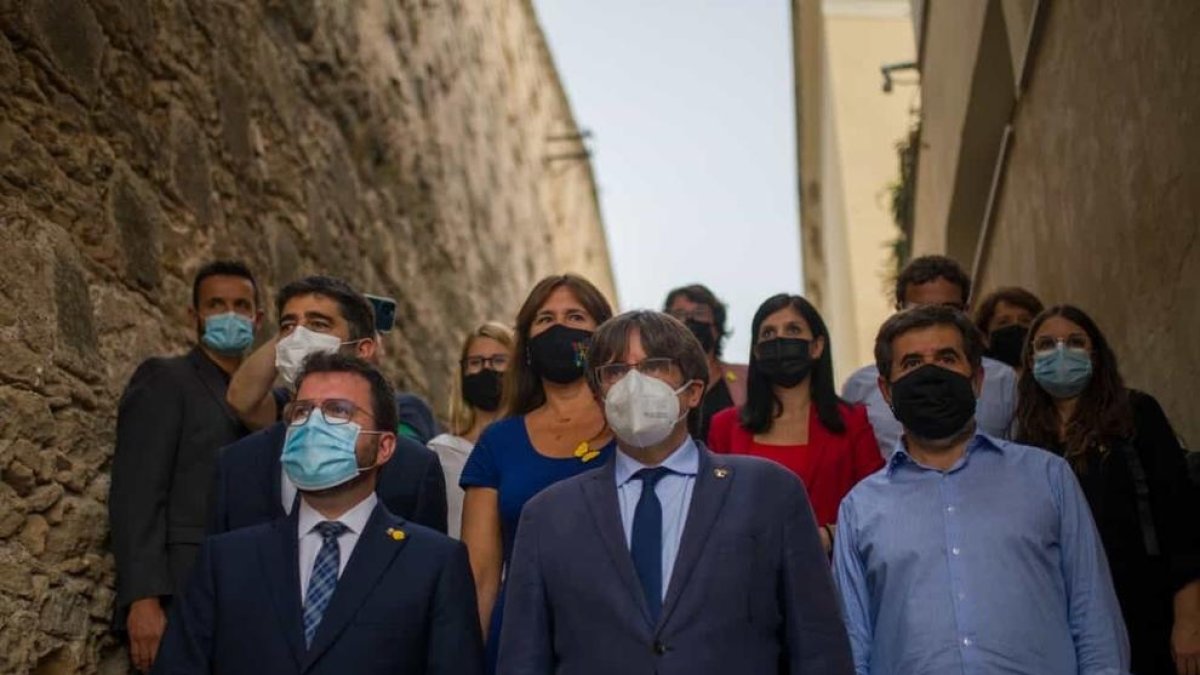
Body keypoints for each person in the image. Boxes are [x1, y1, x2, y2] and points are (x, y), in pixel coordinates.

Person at [497, 311, 853, 675]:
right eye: (616, 371)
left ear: (694, 392)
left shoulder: (770, 492)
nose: (633, 382)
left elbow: (818, 645)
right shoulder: (547, 516)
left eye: (653, 366)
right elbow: (523, 659)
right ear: (599, 395)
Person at [832, 305, 1129, 674]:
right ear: (886, 390)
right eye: (911, 363)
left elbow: (1093, 616)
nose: (930, 374)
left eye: (946, 358)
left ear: (976, 380)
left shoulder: (1047, 477)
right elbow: (852, 644)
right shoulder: (860, 508)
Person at [153, 353, 483, 674]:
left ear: (384, 447)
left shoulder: (434, 563)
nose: (313, 424)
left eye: (338, 411)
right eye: (302, 411)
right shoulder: (225, 560)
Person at [1015, 305, 1200, 674]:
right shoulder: (1024, 440)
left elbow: (1180, 520)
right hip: (1069, 622)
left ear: (1096, 354)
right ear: (1031, 360)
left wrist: (1189, 623)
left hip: (1147, 610)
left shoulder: (1136, 415)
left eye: (1075, 342)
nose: (1061, 352)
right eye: (1047, 344)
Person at [109, 260, 263, 672]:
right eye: (216, 304)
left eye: (240, 305)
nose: (229, 315)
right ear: (194, 315)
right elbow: (137, 492)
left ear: (257, 317)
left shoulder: (268, 406)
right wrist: (143, 598)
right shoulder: (165, 380)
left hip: (247, 602)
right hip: (179, 594)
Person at [460, 274, 616, 674]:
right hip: (521, 644)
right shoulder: (499, 442)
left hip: (618, 639)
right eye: (545, 319)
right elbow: (480, 575)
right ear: (526, 346)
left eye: (575, 316)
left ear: (603, 336)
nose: (559, 327)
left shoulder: (633, 432)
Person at [209, 276, 446, 535]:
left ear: (364, 348)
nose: (300, 336)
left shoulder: (414, 467)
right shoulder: (238, 463)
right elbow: (242, 399)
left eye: (318, 325)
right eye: (289, 325)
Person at [707, 294, 882, 553]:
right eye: (767, 333)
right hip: (750, 582)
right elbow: (712, 509)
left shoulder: (853, 422)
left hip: (829, 578)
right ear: (757, 352)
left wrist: (829, 536)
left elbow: (876, 504)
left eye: (793, 329)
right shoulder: (724, 426)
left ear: (817, 346)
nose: (779, 339)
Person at [841, 255, 1017, 455]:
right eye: (921, 310)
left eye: (948, 310)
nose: (935, 321)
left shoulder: (1003, 379)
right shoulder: (860, 387)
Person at [428, 322, 515, 539]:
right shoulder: (440, 453)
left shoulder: (537, 445)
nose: (487, 369)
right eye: (475, 362)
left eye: (499, 361)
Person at [663, 284, 748, 442]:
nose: (689, 320)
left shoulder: (746, 378)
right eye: (679, 314)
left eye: (699, 313)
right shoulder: (654, 382)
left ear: (716, 328)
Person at [972, 286, 1044, 373]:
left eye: (1025, 321)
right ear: (984, 337)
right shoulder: (975, 383)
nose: (1016, 326)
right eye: (1004, 322)